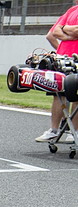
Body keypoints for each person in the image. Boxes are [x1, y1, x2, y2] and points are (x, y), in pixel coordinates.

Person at [36, 0, 78, 142]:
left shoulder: (72, 11)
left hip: (73, 60)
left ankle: (71, 132)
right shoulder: (71, 10)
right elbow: (54, 33)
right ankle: (58, 130)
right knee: (58, 94)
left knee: (74, 96)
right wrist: (69, 34)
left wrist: (65, 29)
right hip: (63, 59)